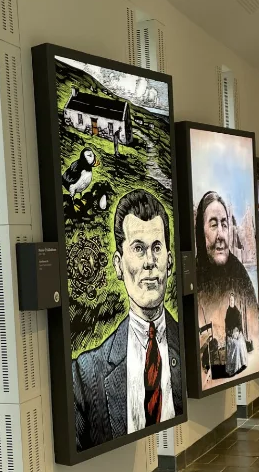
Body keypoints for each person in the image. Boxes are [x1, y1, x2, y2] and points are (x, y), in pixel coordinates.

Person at [72, 190, 182, 450]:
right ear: (119, 265)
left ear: (170, 260)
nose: (149, 263)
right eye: (138, 249)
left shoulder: (194, 346)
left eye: (157, 247)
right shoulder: (88, 373)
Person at [194, 191, 259, 381]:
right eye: (214, 224)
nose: (221, 234)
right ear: (201, 231)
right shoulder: (195, 276)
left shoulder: (240, 275)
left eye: (224, 224)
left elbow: (254, 327)